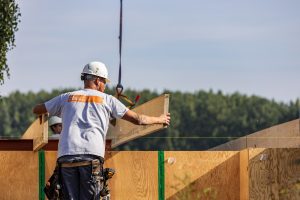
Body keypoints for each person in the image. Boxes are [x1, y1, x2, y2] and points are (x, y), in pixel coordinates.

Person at [33, 61, 170, 200]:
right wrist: (160, 119)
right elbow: (139, 119)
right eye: (104, 82)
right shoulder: (108, 100)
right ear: (98, 80)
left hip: (66, 158)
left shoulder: (66, 97)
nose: (105, 86)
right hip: (90, 158)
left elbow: (37, 109)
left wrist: (51, 112)